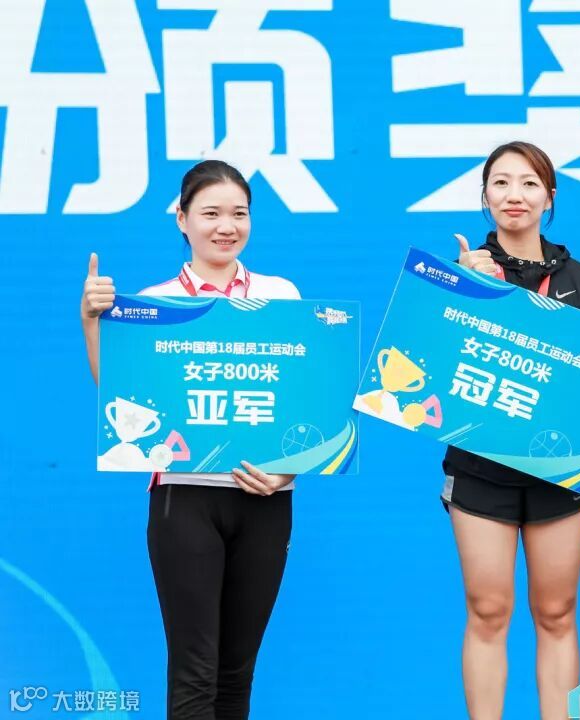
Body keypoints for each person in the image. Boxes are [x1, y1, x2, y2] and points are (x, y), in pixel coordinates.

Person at [80, 160, 301, 720]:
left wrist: (287, 471)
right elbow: (124, 404)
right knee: (194, 671)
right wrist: (92, 323)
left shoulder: (281, 295)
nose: (226, 226)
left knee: (237, 673)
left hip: (266, 498)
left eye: (239, 213)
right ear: (181, 219)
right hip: (184, 498)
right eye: (211, 213)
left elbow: (305, 401)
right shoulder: (154, 303)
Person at [443, 141, 580, 720]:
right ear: (485, 196)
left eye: (529, 183)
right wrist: (466, 289)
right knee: (488, 611)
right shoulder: (462, 273)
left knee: (556, 612)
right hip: (480, 466)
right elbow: (428, 371)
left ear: (549, 197)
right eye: (501, 183)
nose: (515, 195)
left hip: (562, 466)